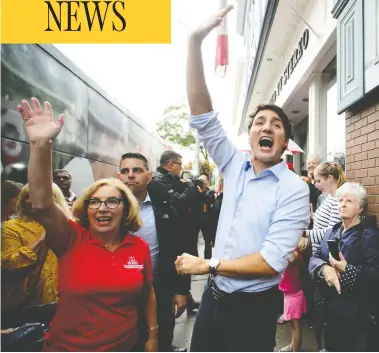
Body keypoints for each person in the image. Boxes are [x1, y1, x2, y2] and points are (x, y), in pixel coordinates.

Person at [174, 5, 310, 352]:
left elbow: (269, 263)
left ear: (284, 142)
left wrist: (210, 264)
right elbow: (202, 115)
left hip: (253, 310)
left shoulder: (294, 188)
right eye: (259, 123)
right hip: (214, 302)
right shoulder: (234, 165)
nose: (267, 127)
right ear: (250, 136)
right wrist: (192, 43)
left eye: (276, 125)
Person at [16, 97, 158, 352]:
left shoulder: (138, 247)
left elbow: (147, 292)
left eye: (112, 201)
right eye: (95, 202)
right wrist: (40, 146)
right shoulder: (70, 239)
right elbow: (41, 202)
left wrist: (152, 338)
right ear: (85, 208)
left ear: (126, 208)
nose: (102, 208)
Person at [118, 152, 189, 352]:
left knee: (162, 339)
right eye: (125, 171)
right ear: (118, 177)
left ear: (149, 176)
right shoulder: (109, 210)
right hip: (121, 294)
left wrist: (182, 290)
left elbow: (179, 250)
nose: (130, 175)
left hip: (161, 290)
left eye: (137, 170)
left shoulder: (166, 209)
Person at [309, 182, 379, 351]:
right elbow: (315, 257)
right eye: (340, 201)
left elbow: (375, 275)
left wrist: (347, 270)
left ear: (360, 208)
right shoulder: (332, 230)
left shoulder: (368, 235)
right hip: (328, 311)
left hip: (355, 318)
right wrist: (324, 270)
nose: (343, 204)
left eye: (349, 201)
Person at [1, 183, 71, 312]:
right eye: (28, 196)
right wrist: (40, 240)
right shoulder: (12, 227)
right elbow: (9, 263)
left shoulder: (71, 224)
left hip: (70, 297)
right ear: (22, 200)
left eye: (41, 196)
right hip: (32, 300)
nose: (34, 200)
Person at [148, 151, 200, 315]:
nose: (181, 168)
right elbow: (180, 201)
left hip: (182, 235)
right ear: (170, 164)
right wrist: (191, 186)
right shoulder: (159, 181)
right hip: (171, 240)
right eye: (179, 164)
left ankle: (185, 297)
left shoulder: (172, 180)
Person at [304, 162, 346, 254]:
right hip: (320, 251)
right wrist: (313, 216)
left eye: (318, 181)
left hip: (324, 255)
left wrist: (304, 233)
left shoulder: (337, 200)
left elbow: (331, 233)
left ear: (329, 178)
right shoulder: (330, 197)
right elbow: (326, 221)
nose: (316, 185)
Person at [279, 249, 307, 352]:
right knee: (294, 325)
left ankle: (296, 350)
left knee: (296, 327)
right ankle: (292, 345)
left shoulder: (294, 252)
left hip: (293, 296)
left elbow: (292, 258)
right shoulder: (294, 251)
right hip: (291, 294)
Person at [193, 174, 215, 259]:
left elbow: (211, 200)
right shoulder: (195, 191)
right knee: (194, 240)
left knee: (207, 241)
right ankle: (195, 258)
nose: (203, 183)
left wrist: (202, 193)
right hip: (196, 218)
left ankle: (207, 260)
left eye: (204, 181)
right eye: (201, 181)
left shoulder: (210, 192)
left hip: (206, 219)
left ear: (207, 182)